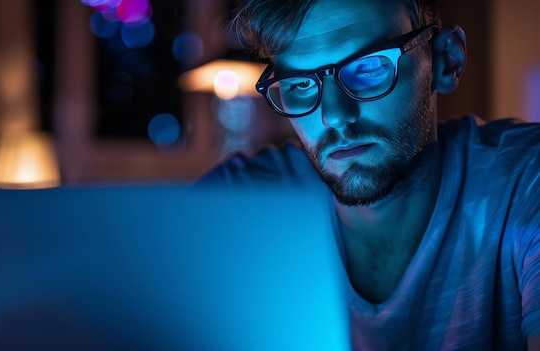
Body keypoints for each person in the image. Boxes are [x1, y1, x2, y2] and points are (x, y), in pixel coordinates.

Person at [195, 0, 540, 349]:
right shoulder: (237, 201)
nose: (334, 115)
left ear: (446, 61)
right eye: (300, 85)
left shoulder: (525, 181)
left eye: (368, 67)